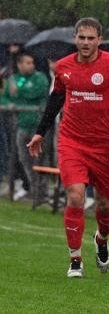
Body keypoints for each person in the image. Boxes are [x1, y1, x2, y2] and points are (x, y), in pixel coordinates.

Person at [27, 17, 109, 278]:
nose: (85, 42)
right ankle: (75, 260)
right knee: (75, 196)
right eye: (81, 37)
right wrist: (40, 133)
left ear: (99, 40)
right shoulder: (63, 67)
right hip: (72, 142)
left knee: (105, 206)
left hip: (105, 145)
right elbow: (56, 99)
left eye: (90, 38)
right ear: (75, 38)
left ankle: (101, 240)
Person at [5, 52, 50, 203]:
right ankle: (34, 189)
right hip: (21, 125)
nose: (32, 65)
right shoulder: (14, 78)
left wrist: (19, 92)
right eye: (28, 62)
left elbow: (37, 92)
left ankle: (43, 192)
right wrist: (9, 103)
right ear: (19, 64)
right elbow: (5, 96)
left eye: (32, 62)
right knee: (24, 159)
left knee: (41, 159)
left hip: (39, 126)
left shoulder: (40, 77)